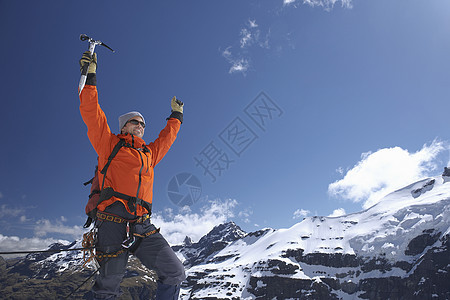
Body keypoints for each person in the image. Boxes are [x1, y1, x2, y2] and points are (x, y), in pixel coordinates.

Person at [78, 51, 186, 299]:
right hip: (112, 222)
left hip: (141, 224)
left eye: (143, 124)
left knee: (175, 271)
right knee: (108, 287)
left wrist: (176, 117)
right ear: (124, 127)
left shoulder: (149, 154)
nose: (140, 125)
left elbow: (166, 140)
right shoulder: (109, 144)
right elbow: (92, 114)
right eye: (135, 122)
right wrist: (90, 76)